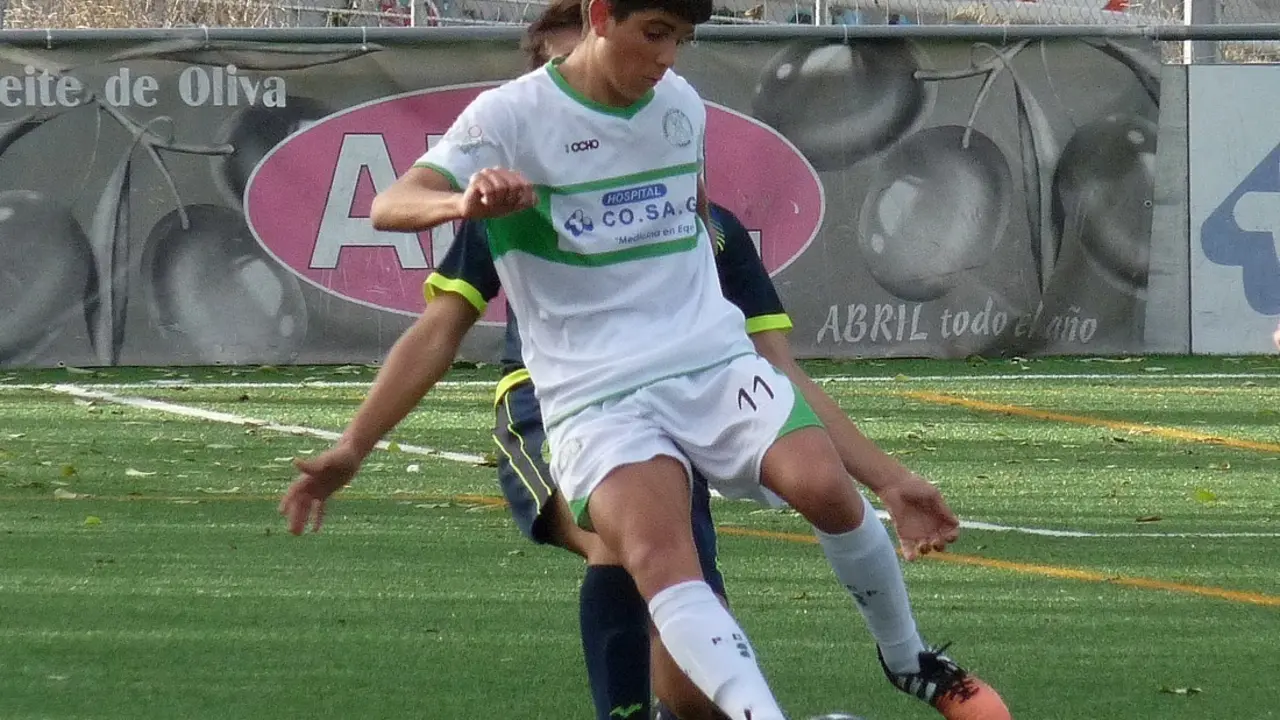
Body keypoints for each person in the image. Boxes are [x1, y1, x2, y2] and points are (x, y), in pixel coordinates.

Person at [282, 0, 1011, 717]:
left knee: (823, 485)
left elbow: (693, 217)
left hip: (710, 363)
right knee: (654, 565)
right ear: (601, 16)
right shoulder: (508, 119)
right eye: (655, 33)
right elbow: (391, 205)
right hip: (596, 395)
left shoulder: (680, 107)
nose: (667, 57)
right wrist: (460, 205)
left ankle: (908, 661)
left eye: (681, 39)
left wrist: (891, 478)